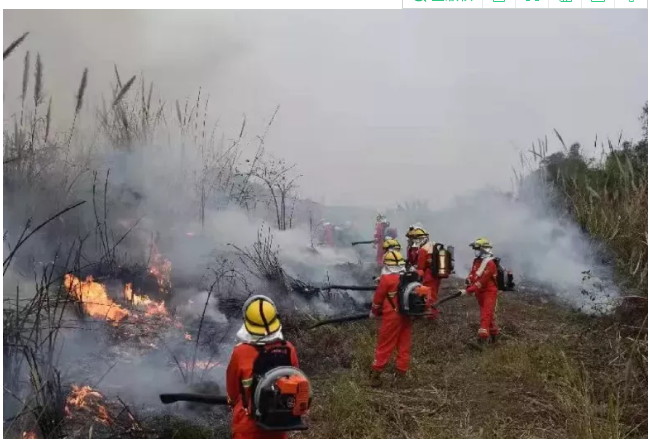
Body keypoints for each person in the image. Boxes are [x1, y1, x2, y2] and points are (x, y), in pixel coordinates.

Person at [226, 295, 300, 439]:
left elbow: (232, 393)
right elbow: (295, 381)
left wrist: (232, 403)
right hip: (278, 426)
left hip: (247, 428)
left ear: (247, 323)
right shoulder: (288, 349)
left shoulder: (240, 352)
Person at [369, 250, 417, 387]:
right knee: (404, 345)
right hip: (406, 316)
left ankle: (375, 375)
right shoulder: (409, 276)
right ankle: (401, 374)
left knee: (385, 344)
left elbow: (378, 300)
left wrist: (374, 312)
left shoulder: (386, 279)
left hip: (392, 316)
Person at [459, 238, 500, 348]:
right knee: (488, 314)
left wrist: (468, 290)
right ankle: (494, 335)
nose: (476, 251)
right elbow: (473, 274)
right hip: (480, 293)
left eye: (478, 249)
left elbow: (482, 281)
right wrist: (468, 280)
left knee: (485, 315)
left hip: (489, 292)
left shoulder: (490, 263)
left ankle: (482, 341)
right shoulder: (477, 261)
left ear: (484, 250)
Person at [413, 227, 442, 320]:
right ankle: (432, 312)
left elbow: (420, 267)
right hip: (436, 274)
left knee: (428, 295)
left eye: (417, 239)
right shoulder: (433, 245)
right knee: (434, 293)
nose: (416, 241)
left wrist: (415, 275)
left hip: (429, 275)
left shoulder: (423, 249)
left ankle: (431, 315)